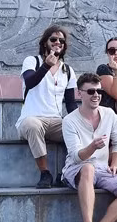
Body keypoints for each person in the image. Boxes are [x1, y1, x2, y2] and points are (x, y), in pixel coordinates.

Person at [62, 72, 117, 222]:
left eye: (98, 91)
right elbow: (76, 156)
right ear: (79, 93)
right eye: (90, 92)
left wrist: (115, 164)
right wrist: (92, 147)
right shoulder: (69, 120)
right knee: (88, 167)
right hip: (77, 167)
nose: (96, 95)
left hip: (103, 168)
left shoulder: (109, 113)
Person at [16, 25, 77, 188]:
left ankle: (66, 173)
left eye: (61, 41)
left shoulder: (68, 71)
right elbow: (30, 81)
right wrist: (46, 66)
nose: (58, 42)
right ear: (45, 43)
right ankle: (45, 173)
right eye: (53, 39)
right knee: (32, 125)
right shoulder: (32, 61)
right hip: (32, 119)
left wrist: (82, 122)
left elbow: (71, 103)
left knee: (78, 129)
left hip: (56, 121)